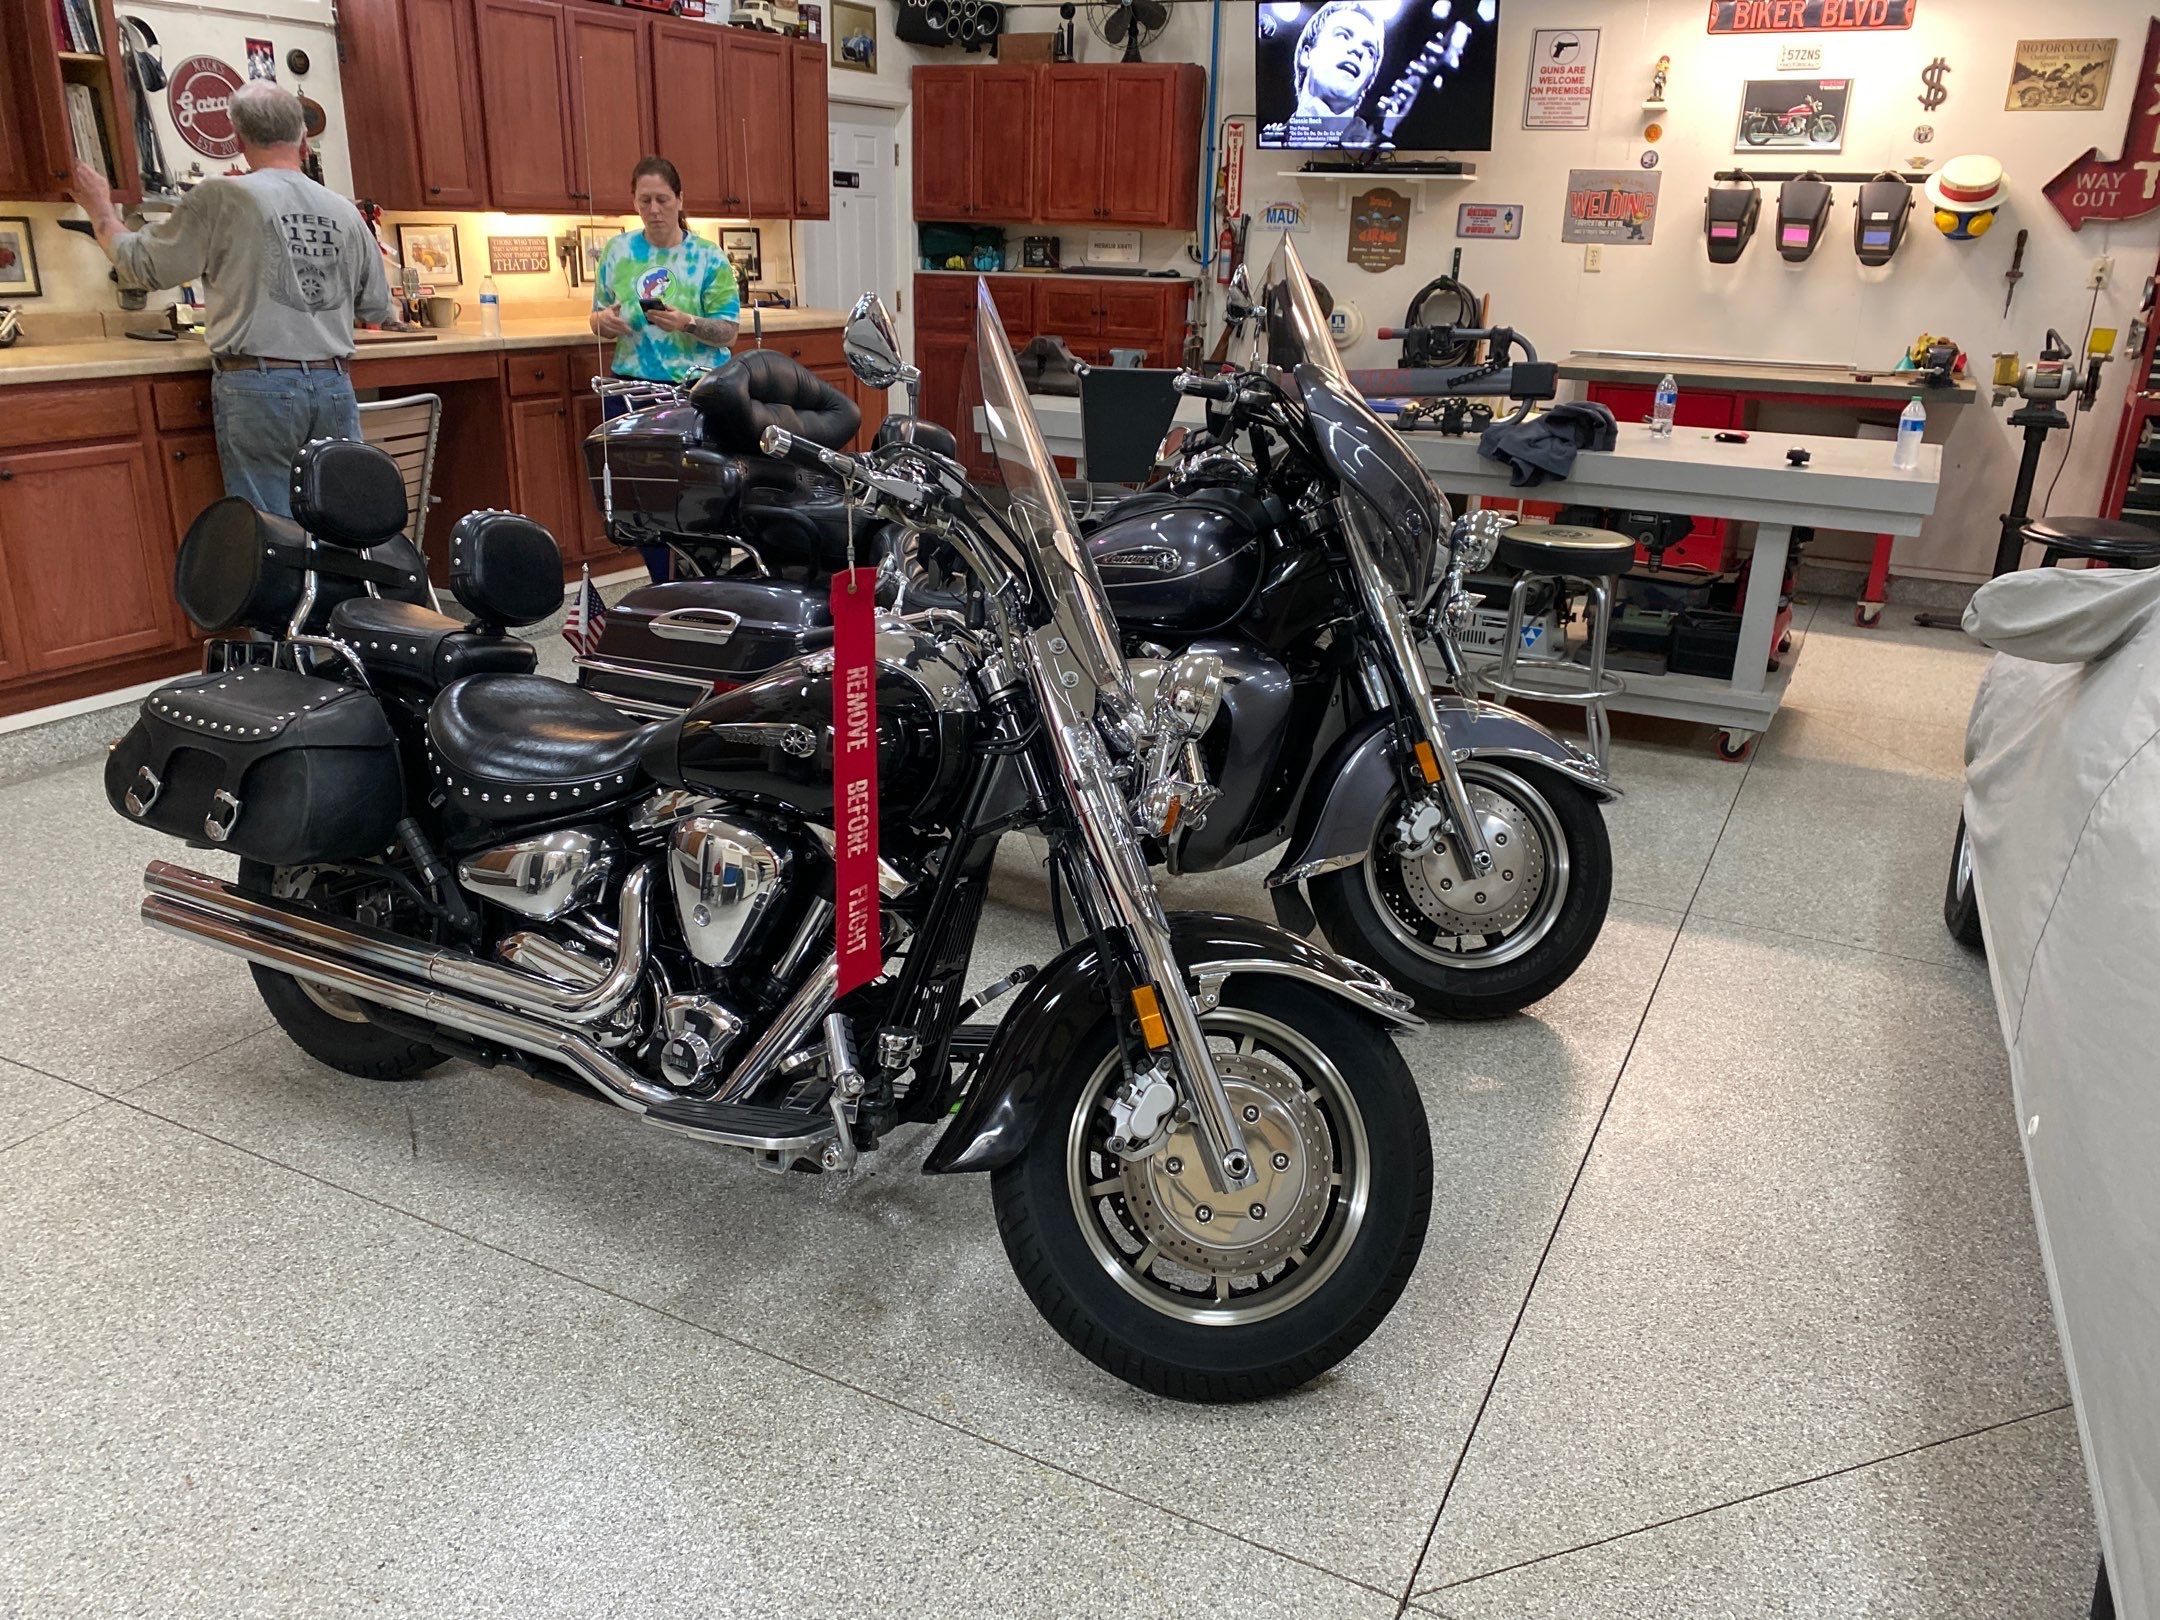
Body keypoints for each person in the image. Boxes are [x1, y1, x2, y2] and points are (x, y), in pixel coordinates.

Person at [68, 82, 395, 518]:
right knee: (341, 521)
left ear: (237, 140)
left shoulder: (221, 196)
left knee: (272, 531)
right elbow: (376, 306)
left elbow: (142, 267)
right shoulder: (342, 210)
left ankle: (294, 590)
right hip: (334, 383)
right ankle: (339, 589)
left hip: (259, 385)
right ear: (302, 139)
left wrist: (102, 212)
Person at [589, 155, 742, 580]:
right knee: (637, 502)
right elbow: (596, 317)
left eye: (662, 199)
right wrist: (605, 323)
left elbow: (728, 331)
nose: (653, 210)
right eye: (644, 201)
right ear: (634, 202)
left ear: (679, 199)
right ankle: (664, 582)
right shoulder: (618, 252)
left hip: (691, 394)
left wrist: (688, 322)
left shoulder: (708, 259)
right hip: (629, 394)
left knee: (697, 499)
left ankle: (705, 583)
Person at [1290, 0, 1387, 146]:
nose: (1358, 50)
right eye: (1343, 35)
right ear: (1307, 55)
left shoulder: (1375, 146)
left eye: (1369, 50)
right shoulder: (1268, 139)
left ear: (1368, 83)